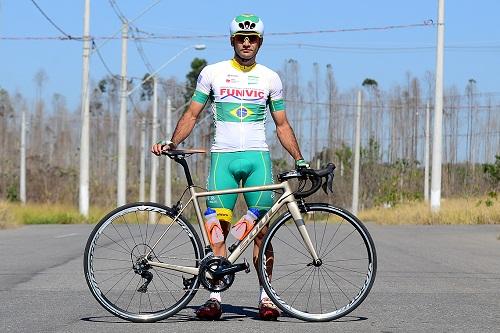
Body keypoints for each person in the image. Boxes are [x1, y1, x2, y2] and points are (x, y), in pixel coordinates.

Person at [151, 13, 308, 321]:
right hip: (222, 158)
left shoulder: (270, 78)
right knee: (218, 230)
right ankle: (214, 296)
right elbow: (192, 114)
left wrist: (299, 158)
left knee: (261, 233)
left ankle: (267, 298)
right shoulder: (212, 73)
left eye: (252, 38)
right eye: (240, 38)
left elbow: (282, 124)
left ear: (260, 42)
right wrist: (171, 141)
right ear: (232, 40)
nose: (246, 43)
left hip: (257, 160)